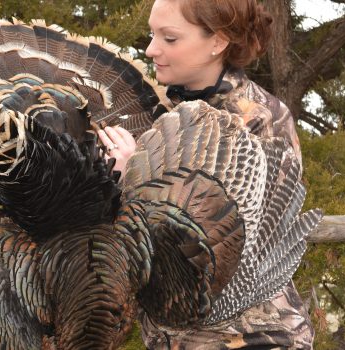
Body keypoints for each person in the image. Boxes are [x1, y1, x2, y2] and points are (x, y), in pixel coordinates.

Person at [96, 0, 313, 348]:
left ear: (218, 41)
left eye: (169, 38)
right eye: (152, 35)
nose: (151, 50)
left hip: (250, 337)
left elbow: (220, 255)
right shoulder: (156, 112)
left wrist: (133, 178)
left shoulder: (258, 119)